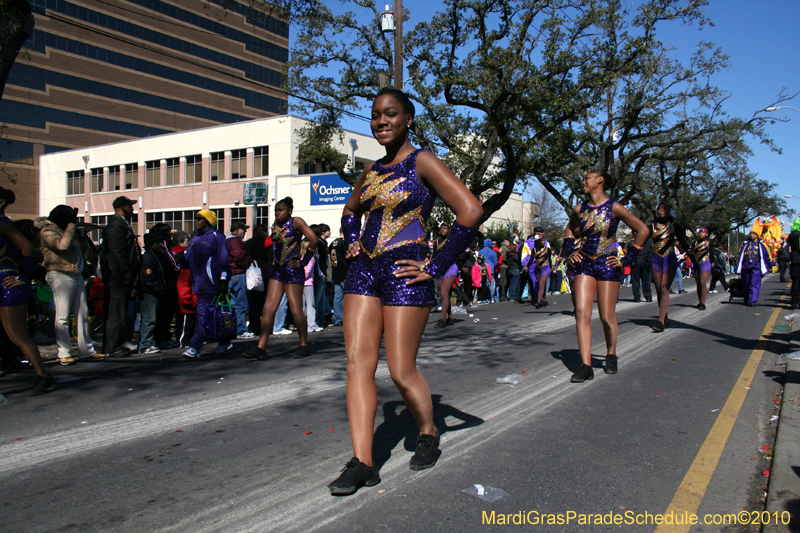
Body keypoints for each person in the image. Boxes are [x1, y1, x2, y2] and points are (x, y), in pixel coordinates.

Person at [327, 88, 483, 495]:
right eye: (375, 115)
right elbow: (350, 211)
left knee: (400, 370)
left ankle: (428, 429)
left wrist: (436, 265)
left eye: (391, 113)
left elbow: (471, 210)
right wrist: (351, 239)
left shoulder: (423, 161)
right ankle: (363, 462)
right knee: (357, 364)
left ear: (408, 119)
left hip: (404, 271)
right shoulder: (370, 170)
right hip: (363, 271)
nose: (381, 121)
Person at [563, 170, 649, 383]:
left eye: (587, 179)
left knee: (606, 316)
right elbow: (569, 230)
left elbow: (643, 230)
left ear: (599, 180)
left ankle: (611, 354)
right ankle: (586, 366)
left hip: (607, 264)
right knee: (581, 313)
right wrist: (570, 251)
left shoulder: (614, 207)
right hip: (584, 263)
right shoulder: (579, 209)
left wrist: (626, 259)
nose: (583, 182)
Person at [241, 197, 318, 360]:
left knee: (296, 309)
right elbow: (272, 244)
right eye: (276, 210)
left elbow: (313, 239)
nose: (277, 213)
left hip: (292, 269)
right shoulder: (276, 225)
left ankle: (304, 345)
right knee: (268, 308)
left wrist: (303, 261)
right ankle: (261, 347)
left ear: (290, 210)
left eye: (280, 210)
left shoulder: (296, 222)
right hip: (277, 270)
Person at [0, 186, 55, 394]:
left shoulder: (3, 223)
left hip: (7, 285)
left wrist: (23, 277)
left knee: (18, 336)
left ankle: (44, 376)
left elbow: (27, 248)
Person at [40, 205, 105, 365]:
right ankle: (64, 353)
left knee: (82, 313)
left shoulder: (68, 231)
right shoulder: (48, 231)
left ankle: (86, 350)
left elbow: (82, 251)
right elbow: (62, 247)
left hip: (76, 273)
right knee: (62, 316)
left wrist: (81, 238)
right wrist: (70, 227)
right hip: (60, 274)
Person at [182, 210, 232, 358]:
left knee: (202, 314)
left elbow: (223, 258)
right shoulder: (195, 238)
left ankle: (194, 347)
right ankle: (224, 341)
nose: (196, 221)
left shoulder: (217, 237)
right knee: (214, 314)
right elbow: (189, 259)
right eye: (196, 218)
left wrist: (223, 279)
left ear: (208, 221)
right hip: (198, 284)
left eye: (200, 218)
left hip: (211, 283)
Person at [101, 196, 142, 357]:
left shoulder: (122, 224)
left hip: (121, 274)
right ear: (123, 208)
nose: (133, 209)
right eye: (130, 206)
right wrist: (127, 273)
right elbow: (118, 253)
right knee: (116, 312)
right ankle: (112, 347)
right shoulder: (115, 226)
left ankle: (115, 344)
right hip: (116, 276)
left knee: (120, 311)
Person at [650, 201, 682, 332]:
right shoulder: (651, 226)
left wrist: (694, 259)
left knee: (664, 288)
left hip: (669, 258)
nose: (662, 211)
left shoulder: (674, 226)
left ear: (669, 211)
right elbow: (641, 240)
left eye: (665, 209)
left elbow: (684, 242)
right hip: (656, 259)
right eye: (660, 208)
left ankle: (660, 322)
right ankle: (665, 317)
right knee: (659, 290)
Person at [138, 233, 165, 354]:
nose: (159, 245)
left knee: (151, 318)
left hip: (153, 291)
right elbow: (148, 278)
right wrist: (159, 288)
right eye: (157, 243)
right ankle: (145, 344)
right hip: (149, 293)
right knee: (149, 319)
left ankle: (147, 342)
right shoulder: (149, 258)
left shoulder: (154, 256)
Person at [226, 221, 253, 339]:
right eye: (243, 229)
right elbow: (239, 257)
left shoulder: (226, 241)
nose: (245, 231)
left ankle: (233, 329)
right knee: (240, 303)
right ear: (237, 230)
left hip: (229, 275)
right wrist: (248, 262)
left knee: (232, 304)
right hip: (238, 274)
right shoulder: (236, 242)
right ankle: (241, 330)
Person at [246, 224, 272, 336]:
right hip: (264, 275)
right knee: (263, 302)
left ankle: (254, 325)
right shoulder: (266, 244)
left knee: (253, 303)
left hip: (252, 275)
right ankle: (263, 326)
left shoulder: (249, 243)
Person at [736, 230, 773, 307]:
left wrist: (771, 264)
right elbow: (740, 255)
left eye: (754, 233)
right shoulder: (745, 244)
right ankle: (746, 299)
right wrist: (738, 267)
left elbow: (766, 255)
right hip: (745, 268)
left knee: (754, 284)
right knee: (746, 284)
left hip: (756, 268)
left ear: (757, 235)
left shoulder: (762, 244)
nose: (752, 235)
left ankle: (753, 301)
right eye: (751, 233)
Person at [433, 223, 459, 327]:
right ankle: (451, 317)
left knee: (444, 293)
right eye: (442, 228)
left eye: (445, 228)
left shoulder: (452, 241)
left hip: (450, 267)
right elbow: (435, 256)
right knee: (444, 294)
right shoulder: (437, 242)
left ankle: (442, 319)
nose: (443, 230)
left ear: (449, 230)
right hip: (440, 268)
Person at [173, 232, 196, 347]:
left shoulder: (191, 272)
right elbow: (183, 289)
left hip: (192, 301)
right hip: (188, 303)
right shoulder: (185, 272)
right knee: (185, 323)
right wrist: (189, 301)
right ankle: (183, 340)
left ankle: (189, 339)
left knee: (191, 323)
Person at [329, 227, 349, 326]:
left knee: (338, 296)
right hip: (344, 271)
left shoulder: (332, 243)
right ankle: (347, 317)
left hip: (336, 272)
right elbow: (348, 256)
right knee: (348, 296)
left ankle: (338, 318)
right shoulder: (343, 243)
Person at [300, 239, 321, 332]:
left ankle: (303, 324)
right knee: (310, 305)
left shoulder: (299, 258)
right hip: (308, 283)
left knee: (302, 306)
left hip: (300, 283)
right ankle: (311, 325)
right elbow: (308, 271)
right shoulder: (311, 258)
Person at [690, 228, 712, 310]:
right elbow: (691, 253)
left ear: (706, 234)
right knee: (698, 283)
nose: (701, 234)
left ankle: (703, 303)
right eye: (700, 232)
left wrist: (713, 263)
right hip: (696, 263)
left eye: (703, 232)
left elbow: (712, 254)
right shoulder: (695, 243)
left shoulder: (709, 243)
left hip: (705, 263)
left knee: (702, 282)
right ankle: (700, 301)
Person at [629, 231, 653, 303]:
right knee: (646, 281)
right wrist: (649, 262)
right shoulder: (648, 241)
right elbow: (650, 253)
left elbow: (629, 254)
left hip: (635, 262)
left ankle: (637, 298)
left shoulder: (632, 242)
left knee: (635, 281)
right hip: (645, 261)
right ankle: (648, 297)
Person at [532, 235, 551, 308]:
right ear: (538, 241)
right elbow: (531, 260)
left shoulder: (547, 249)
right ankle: (545, 299)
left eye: (544, 240)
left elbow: (550, 260)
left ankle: (538, 302)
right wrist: (526, 267)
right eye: (542, 240)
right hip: (538, 268)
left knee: (541, 285)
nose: (544, 242)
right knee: (540, 284)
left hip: (546, 268)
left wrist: (552, 268)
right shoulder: (534, 250)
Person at [478, 238, 497, 302]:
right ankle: (492, 297)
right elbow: (495, 262)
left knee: (483, 284)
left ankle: (484, 297)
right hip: (491, 269)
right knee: (491, 283)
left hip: (482, 269)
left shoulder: (480, 251)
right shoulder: (493, 252)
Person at [789, 218, 800, 310]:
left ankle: (794, 302)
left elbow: (786, 247)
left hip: (795, 262)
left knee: (795, 283)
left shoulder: (792, 235)